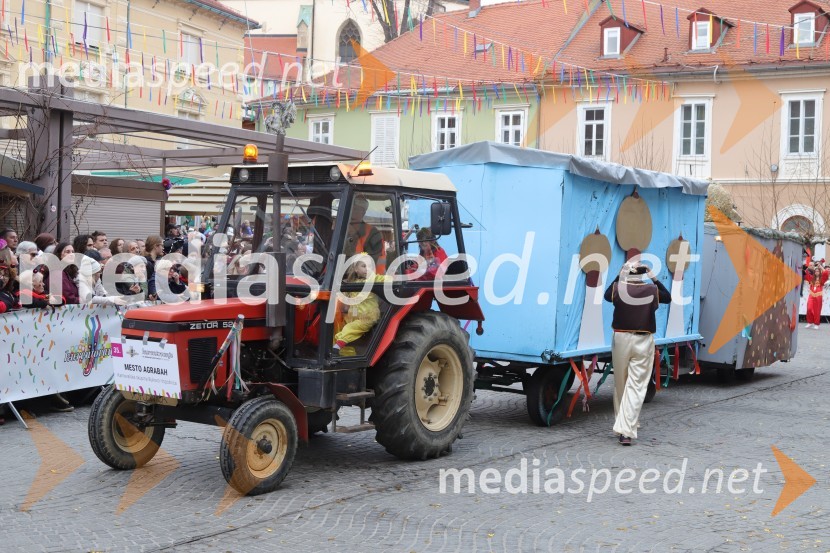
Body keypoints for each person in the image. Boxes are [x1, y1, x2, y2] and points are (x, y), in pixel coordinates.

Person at [604, 262, 671, 446]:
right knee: (636, 386)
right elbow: (668, 297)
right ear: (642, 275)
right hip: (643, 340)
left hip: (620, 339)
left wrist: (620, 274)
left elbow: (605, 295)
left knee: (620, 384)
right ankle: (626, 430)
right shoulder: (651, 290)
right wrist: (652, 275)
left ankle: (622, 425)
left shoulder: (618, 289)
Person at [333, 254, 391, 356]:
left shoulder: (373, 279)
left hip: (368, 316)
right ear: (355, 269)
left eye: (370, 266)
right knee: (337, 325)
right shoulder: (351, 283)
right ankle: (345, 353)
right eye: (364, 266)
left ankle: (339, 344)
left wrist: (394, 279)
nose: (367, 269)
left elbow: (386, 279)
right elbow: (346, 297)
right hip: (353, 315)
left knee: (350, 328)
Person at [344, 195, 385, 273]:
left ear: (363, 212)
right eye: (351, 208)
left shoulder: (373, 234)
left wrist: (353, 235)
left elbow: (366, 266)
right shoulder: (340, 228)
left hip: (370, 281)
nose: (352, 212)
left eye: (356, 209)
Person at [805, 261, 830, 329]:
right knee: (809, 309)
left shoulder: (822, 279)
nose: (816, 272)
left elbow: (826, 273)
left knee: (817, 310)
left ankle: (816, 324)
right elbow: (806, 274)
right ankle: (810, 322)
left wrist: (820, 266)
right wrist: (809, 266)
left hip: (818, 296)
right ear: (814, 272)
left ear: (819, 272)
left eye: (818, 271)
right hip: (811, 295)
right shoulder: (811, 278)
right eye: (815, 271)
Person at [144, 235, 164, 300]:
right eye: (162, 245)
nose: (163, 248)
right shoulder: (147, 263)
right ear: (156, 246)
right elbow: (150, 283)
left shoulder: (158, 261)